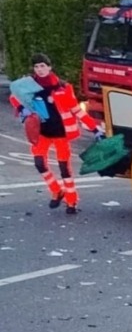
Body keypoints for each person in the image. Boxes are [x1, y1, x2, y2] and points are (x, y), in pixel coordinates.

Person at [14, 54, 101, 214]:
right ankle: (56, 190)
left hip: (61, 133)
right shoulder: (28, 86)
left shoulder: (63, 87)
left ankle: (72, 201)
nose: (39, 70)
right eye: (36, 67)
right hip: (41, 133)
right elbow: (15, 98)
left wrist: (95, 129)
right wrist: (21, 109)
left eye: (42, 66)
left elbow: (76, 110)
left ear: (49, 67)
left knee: (64, 169)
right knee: (39, 164)